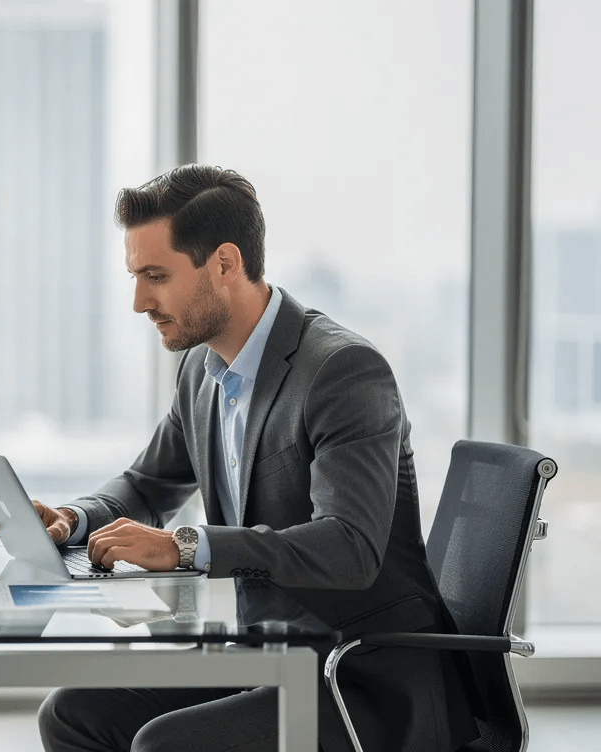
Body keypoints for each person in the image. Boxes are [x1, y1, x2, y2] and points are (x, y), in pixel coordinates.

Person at [31, 165, 479, 752]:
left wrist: (188, 546)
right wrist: (75, 518)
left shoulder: (342, 372)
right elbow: (147, 485)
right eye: (136, 277)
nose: (140, 301)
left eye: (156, 276)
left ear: (223, 263)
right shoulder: (203, 369)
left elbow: (350, 547)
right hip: (268, 656)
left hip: (359, 677)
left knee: (164, 745)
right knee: (71, 714)